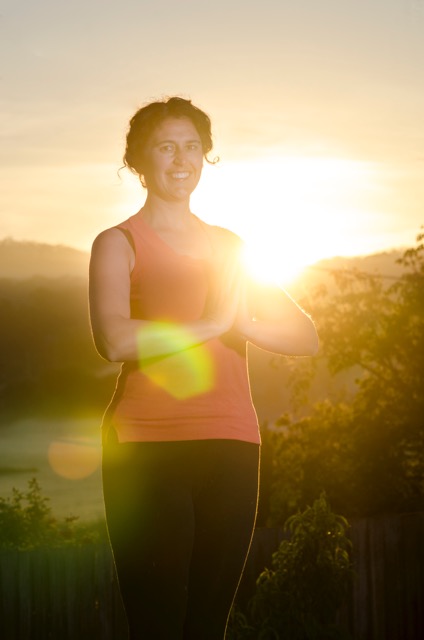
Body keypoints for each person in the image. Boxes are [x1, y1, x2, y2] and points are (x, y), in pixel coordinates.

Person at [89, 96, 318, 640]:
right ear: (139, 161)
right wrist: (213, 323)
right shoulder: (117, 243)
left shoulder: (230, 246)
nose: (181, 159)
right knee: (159, 621)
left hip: (233, 442)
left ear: (205, 157)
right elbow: (114, 339)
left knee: (208, 624)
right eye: (166, 147)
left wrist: (244, 325)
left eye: (192, 146)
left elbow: (305, 336)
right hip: (145, 444)